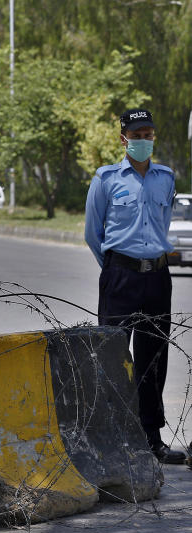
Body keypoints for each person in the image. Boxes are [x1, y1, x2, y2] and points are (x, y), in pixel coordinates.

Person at [85, 108, 184, 464]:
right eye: (137, 134)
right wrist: (116, 268)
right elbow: (92, 233)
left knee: (153, 357)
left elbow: (163, 224)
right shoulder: (106, 179)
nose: (143, 140)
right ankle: (109, 439)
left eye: (149, 134)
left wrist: (147, 264)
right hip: (120, 277)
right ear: (123, 138)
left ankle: (151, 438)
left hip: (157, 277)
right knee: (112, 356)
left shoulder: (165, 178)